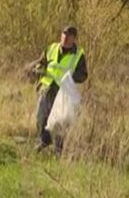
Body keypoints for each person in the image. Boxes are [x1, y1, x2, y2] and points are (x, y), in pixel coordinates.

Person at [26, 25, 88, 155]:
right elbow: (41, 63)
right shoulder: (51, 48)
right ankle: (43, 141)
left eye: (69, 36)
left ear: (74, 39)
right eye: (64, 34)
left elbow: (83, 75)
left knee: (59, 122)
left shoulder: (78, 54)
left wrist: (70, 78)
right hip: (46, 88)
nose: (65, 38)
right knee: (41, 117)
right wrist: (37, 69)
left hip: (63, 92)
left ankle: (59, 150)